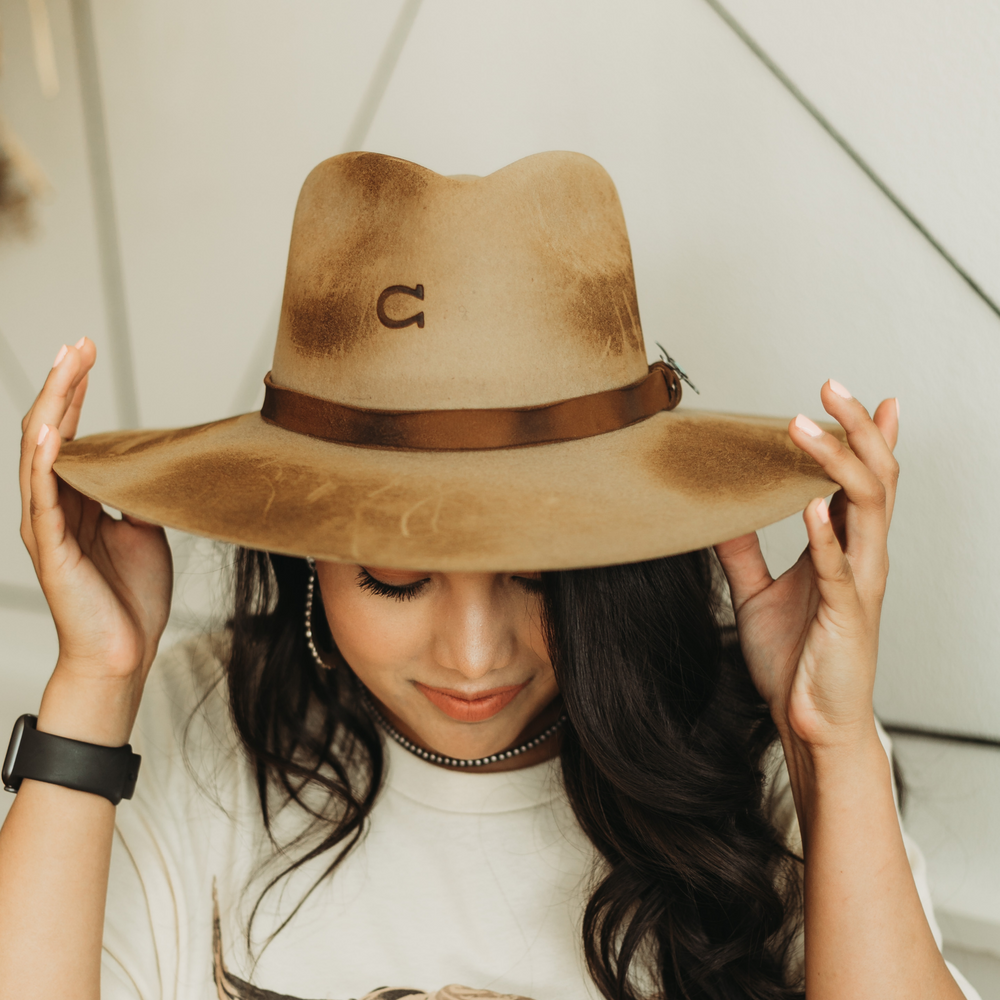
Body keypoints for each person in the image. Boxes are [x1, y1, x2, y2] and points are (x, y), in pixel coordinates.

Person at [0, 151, 980, 1000]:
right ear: (302, 541)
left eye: (542, 577)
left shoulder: (757, 751)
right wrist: (96, 683)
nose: (474, 656)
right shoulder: (193, 720)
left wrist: (830, 740)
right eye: (395, 578)